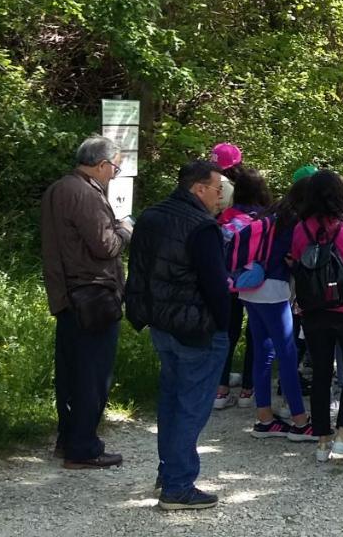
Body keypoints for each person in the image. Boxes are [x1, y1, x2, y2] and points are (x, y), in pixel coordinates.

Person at [124, 160, 231, 510]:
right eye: (217, 189)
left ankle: (168, 473)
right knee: (190, 408)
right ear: (198, 188)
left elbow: (138, 271)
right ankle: (178, 485)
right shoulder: (202, 227)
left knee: (171, 401)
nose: (220, 197)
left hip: (161, 323)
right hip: (196, 327)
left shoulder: (151, 217)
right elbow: (215, 285)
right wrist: (225, 324)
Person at [40, 135, 132, 469]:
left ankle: (69, 439)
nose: (115, 174)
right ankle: (84, 447)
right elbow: (105, 246)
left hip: (66, 294)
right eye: (115, 168)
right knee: (93, 375)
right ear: (103, 164)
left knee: (70, 373)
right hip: (92, 295)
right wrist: (124, 230)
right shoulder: (85, 193)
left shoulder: (58, 188)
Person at [288, 170, 343, 462]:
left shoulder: (301, 229)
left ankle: (322, 441)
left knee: (321, 373)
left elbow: (299, 262)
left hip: (314, 309)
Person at [238, 176, 314, 440]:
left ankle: (264, 418)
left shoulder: (272, 212)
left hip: (249, 287)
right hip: (273, 289)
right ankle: (300, 421)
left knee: (263, 352)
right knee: (288, 354)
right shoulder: (295, 221)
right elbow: (293, 258)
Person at [214, 167, 273, 410]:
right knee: (255, 336)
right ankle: (249, 389)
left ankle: (221, 389)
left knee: (228, 333)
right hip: (257, 282)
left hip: (229, 283)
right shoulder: (266, 218)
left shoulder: (225, 216)